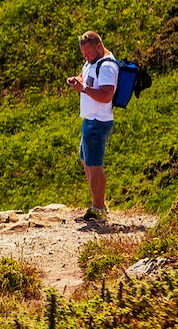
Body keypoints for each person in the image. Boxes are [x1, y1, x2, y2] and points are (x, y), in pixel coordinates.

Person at [66, 30, 119, 223]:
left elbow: (106, 95)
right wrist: (77, 81)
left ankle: (98, 208)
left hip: (99, 121)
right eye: (83, 54)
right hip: (90, 120)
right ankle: (98, 205)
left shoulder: (106, 67)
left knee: (94, 164)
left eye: (88, 53)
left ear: (98, 46)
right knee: (86, 160)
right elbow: (85, 77)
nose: (86, 57)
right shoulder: (92, 62)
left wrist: (83, 89)